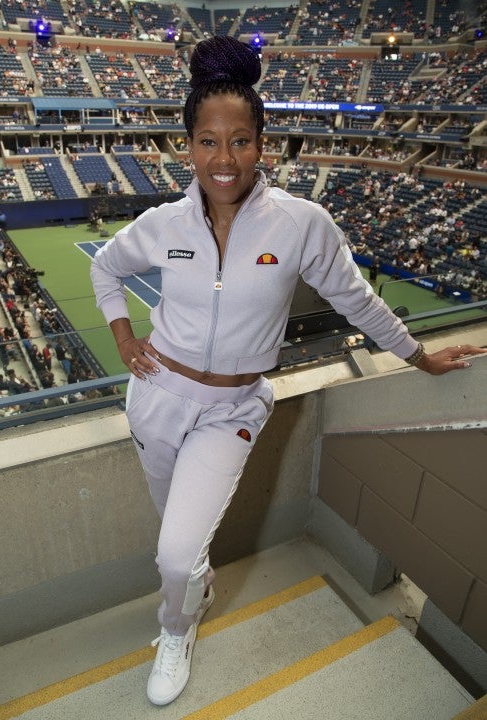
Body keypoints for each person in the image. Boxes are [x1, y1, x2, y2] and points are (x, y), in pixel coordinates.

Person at [90, 36, 486, 707]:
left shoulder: (302, 224)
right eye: (208, 141)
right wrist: (125, 335)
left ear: (261, 145)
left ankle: (176, 629)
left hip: (232, 408)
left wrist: (417, 355)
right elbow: (106, 267)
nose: (224, 159)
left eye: (240, 140)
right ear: (186, 146)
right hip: (155, 397)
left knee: (175, 555)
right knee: (178, 541)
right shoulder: (160, 224)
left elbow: (356, 299)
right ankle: (193, 589)